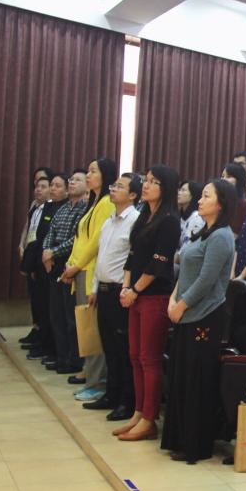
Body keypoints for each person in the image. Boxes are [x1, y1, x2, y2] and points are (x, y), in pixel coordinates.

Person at [161, 178, 238, 463]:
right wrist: (173, 298)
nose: (200, 200)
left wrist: (182, 304)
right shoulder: (203, 231)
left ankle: (196, 444)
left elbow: (207, 280)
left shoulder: (222, 236)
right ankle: (178, 437)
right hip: (185, 311)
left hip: (204, 314)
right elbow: (185, 271)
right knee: (181, 376)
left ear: (221, 204)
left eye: (206, 196)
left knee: (196, 379)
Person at [115, 165, 181, 442]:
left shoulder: (169, 220)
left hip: (155, 295)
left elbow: (158, 263)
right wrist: (125, 287)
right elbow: (133, 255)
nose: (146, 185)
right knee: (134, 356)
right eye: (146, 180)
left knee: (149, 358)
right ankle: (138, 412)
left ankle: (149, 418)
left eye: (153, 182)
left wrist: (135, 290)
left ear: (165, 188)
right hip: (136, 293)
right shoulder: (144, 215)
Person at [85, 173, 141, 421]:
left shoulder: (135, 221)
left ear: (133, 195)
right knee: (108, 346)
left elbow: (133, 259)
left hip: (121, 292)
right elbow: (101, 257)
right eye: (114, 185)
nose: (113, 189)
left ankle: (126, 402)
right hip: (104, 291)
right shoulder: (108, 222)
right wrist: (94, 288)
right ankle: (111, 394)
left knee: (122, 349)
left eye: (120, 186)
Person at [62, 157, 118, 398]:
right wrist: (71, 263)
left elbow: (96, 242)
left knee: (92, 331)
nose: (88, 175)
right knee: (85, 327)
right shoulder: (93, 202)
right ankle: (91, 376)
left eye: (93, 171)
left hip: (91, 271)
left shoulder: (106, 203)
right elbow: (80, 238)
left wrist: (77, 266)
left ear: (105, 175)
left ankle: (98, 382)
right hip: (81, 269)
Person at [42, 169, 88, 375]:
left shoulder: (85, 209)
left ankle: (74, 360)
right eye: (71, 180)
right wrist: (47, 252)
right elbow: (50, 232)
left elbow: (76, 239)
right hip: (54, 261)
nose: (72, 183)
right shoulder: (61, 209)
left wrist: (53, 252)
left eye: (78, 180)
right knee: (57, 314)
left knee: (71, 316)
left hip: (71, 262)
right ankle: (61, 356)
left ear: (87, 186)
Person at [30, 173, 67, 365]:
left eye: (57, 185)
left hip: (59, 264)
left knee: (58, 314)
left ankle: (56, 350)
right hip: (43, 261)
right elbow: (44, 234)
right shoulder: (49, 207)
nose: (53, 188)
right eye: (51, 185)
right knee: (44, 308)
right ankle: (44, 344)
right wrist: (45, 252)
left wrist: (52, 253)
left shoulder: (68, 208)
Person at [19, 166, 53, 349]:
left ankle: (43, 336)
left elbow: (43, 236)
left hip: (43, 258)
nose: (38, 189)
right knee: (34, 297)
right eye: (36, 184)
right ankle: (36, 329)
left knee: (43, 301)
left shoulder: (51, 208)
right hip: (31, 255)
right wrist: (22, 246)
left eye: (43, 185)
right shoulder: (34, 206)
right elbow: (28, 229)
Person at [177, 179, 205, 255]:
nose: (179, 193)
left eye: (183, 190)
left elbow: (186, 249)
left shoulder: (196, 217)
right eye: (179, 190)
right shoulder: (181, 216)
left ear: (192, 195)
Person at [221, 164, 246, 235]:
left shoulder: (242, 204)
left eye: (229, 177)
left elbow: (236, 234)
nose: (223, 179)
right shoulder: (220, 199)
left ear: (239, 180)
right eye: (222, 176)